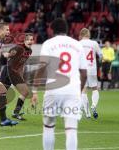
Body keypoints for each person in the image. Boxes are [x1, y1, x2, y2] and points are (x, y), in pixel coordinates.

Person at [31, 18, 87, 150]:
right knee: (71, 128)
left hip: (53, 89)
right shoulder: (77, 44)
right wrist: (78, 91)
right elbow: (84, 73)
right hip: (72, 89)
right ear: (67, 30)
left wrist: (34, 91)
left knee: (48, 126)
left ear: (52, 30)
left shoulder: (48, 44)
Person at [79, 28, 102, 119]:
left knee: (83, 90)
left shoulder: (78, 44)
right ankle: (93, 106)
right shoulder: (94, 43)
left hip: (82, 69)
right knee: (94, 88)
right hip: (92, 68)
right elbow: (101, 55)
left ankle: (87, 113)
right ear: (88, 34)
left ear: (81, 35)